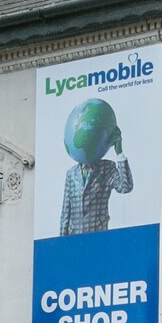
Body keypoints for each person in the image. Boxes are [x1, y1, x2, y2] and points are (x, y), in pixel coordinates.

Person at [58, 98, 133, 235]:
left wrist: (119, 152)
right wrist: (62, 243)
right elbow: (65, 212)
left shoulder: (107, 168)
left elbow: (125, 187)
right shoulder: (71, 174)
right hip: (75, 240)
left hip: (97, 236)